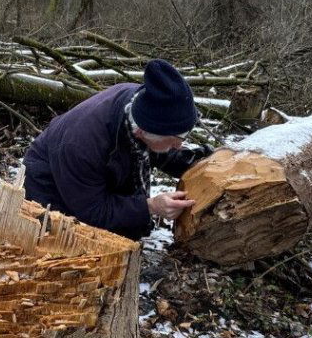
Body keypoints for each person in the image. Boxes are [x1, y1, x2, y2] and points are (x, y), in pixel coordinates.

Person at [23, 59, 212, 240]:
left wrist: (205, 160)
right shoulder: (82, 146)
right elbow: (93, 211)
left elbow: (162, 149)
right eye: (175, 141)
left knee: (130, 225)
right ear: (141, 133)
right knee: (74, 242)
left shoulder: (145, 104)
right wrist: (150, 207)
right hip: (51, 187)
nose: (179, 146)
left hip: (98, 170)